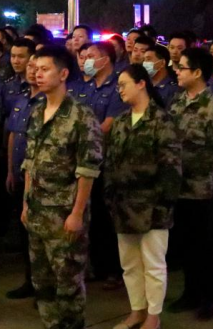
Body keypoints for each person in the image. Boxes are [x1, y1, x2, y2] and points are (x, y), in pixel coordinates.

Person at [22, 46, 103, 329]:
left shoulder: (81, 116)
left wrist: (77, 213)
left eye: (45, 69)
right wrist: (25, 203)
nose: (38, 74)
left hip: (64, 213)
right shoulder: (37, 112)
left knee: (68, 283)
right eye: (36, 69)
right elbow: (30, 162)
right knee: (41, 281)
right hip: (37, 211)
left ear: (63, 74)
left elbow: (88, 169)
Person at [104, 63, 180, 329]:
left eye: (124, 84)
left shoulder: (161, 120)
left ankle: (153, 316)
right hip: (123, 205)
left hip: (152, 206)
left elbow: (171, 167)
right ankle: (137, 311)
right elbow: (111, 162)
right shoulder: (122, 121)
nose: (120, 90)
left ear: (141, 84)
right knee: (130, 264)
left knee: (153, 264)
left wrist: (163, 203)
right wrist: (110, 197)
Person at [167, 48, 213, 319]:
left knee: (203, 245)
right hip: (178, 186)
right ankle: (191, 292)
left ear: (197, 72)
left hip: (202, 188)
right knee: (184, 242)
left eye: (182, 67)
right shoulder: (176, 103)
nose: (177, 71)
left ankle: (210, 297)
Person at [78, 40, 127, 288]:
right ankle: (97, 265)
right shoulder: (88, 87)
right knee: (93, 216)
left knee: (110, 218)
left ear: (105, 59)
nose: (86, 60)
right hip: (88, 162)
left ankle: (114, 270)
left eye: (91, 56)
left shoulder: (117, 87)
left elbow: (108, 125)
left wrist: (80, 137)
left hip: (109, 162)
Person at [4, 54, 43, 300]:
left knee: (41, 235)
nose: (32, 71)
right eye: (30, 66)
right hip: (19, 173)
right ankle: (29, 279)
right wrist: (10, 169)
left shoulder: (48, 101)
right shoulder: (21, 99)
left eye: (38, 67)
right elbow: (13, 134)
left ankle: (43, 287)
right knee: (24, 231)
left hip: (41, 177)